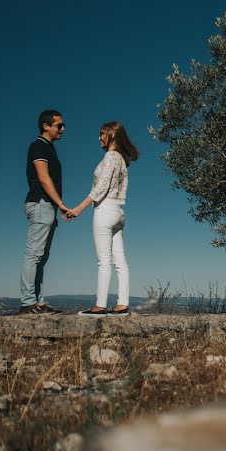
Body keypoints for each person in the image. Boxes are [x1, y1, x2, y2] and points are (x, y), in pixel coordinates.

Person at [68, 121, 139, 316]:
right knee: (120, 260)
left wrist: (79, 208)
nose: (99, 137)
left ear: (112, 136)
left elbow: (101, 186)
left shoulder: (109, 157)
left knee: (104, 261)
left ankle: (100, 306)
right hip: (118, 212)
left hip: (105, 210)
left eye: (101, 134)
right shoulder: (122, 160)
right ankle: (122, 304)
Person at [20, 109, 70, 315]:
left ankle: (37, 302)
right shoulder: (39, 146)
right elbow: (43, 178)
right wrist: (61, 204)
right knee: (34, 254)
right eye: (59, 125)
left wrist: (57, 206)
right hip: (41, 204)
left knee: (42, 256)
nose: (63, 129)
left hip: (47, 206)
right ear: (45, 126)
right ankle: (28, 303)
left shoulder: (49, 148)